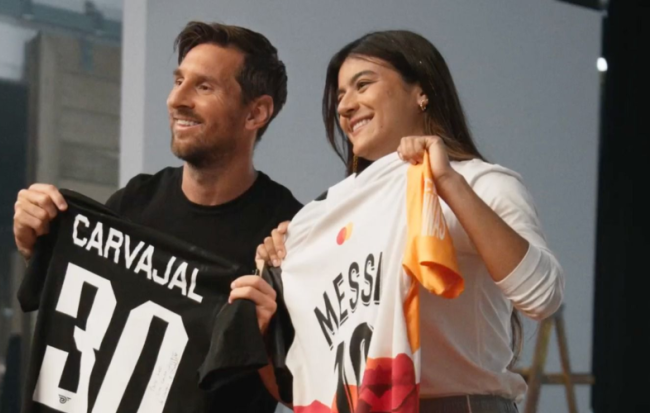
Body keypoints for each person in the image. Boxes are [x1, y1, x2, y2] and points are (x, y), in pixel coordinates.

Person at [241, 30, 564, 413]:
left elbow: (542, 297)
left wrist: (447, 183)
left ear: (421, 91)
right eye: (340, 95)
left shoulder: (481, 183)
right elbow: (303, 386)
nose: (345, 106)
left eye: (363, 84)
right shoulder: (328, 219)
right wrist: (277, 284)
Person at [13, 21, 302, 413]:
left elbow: (299, 392)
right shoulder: (134, 204)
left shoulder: (288, 234)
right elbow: (76, 311)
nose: (176, 99)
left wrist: (264, 339)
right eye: (179, 81)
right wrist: (37, 245)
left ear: (256, 113)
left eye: (204, 87)